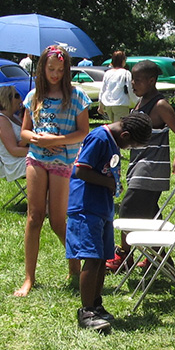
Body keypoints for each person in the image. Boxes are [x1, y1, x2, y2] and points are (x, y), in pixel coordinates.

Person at [15, 45, 91, 297]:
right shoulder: (34, 95)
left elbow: (83, 132)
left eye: (60, 70)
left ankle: (74, 266)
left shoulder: (76, 96)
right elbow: (24, 132)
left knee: (58, 221)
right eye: (51, 69)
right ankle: (29, 278)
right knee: (34, 217)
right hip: (36, 159)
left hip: (62, 163)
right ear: (42, 69)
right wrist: (37, 138)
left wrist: (55, 141)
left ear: (66, 70)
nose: (55, 74)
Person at [67, 112, 152, 330]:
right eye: (130, 144)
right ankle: (86, 312)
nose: (128, 148)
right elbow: (81, 170)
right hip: (87, 207)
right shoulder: (99, 138)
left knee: (102, 258)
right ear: (124, 134)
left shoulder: (113, 140)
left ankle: (96, 305)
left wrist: (112, 184)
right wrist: (108, 183)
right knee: (92, 258)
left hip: (101, 207)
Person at [105, 60, 175, 271]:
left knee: (127, 209)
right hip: (139, 165)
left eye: (138, 80)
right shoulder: (141, 103)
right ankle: (160, 256)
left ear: (152, 81)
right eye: (132, 79)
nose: (133, 83)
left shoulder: (160, 105)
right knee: (150, 213)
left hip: (151, 168)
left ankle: (124, 255)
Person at [0, 85, 28, 181]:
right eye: (17, 96)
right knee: (51, 162)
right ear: (7, 99)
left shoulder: (16, 118)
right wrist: (41, 152)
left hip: (24, 157)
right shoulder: (1, 121)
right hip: (14, 164)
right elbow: (14, 150)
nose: (20, 99)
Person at [98, 51, 138, 122]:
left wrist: (100, 105)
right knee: (121, 127)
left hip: (108, 104)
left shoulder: (108, 73)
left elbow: (103, 89)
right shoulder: (126, 73)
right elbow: (130, 88)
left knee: (113, 126)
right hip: (120, 104)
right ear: (123, 61)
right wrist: (137, 102)